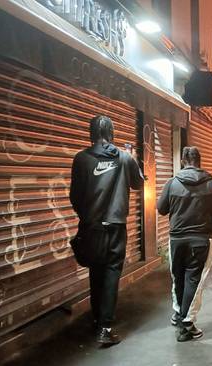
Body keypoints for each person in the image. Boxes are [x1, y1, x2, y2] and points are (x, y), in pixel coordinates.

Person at [69, 115, 144, 346]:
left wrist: (87, 216)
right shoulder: (124, 157)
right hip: (115, 227)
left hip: (91, 227)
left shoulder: (81, 159)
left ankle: (96, 320)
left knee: (96, 271)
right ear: (111, 132)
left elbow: (74, 195)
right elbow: (138, 183)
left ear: (91, 132)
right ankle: (106, 327)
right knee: (112, 273)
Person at [157, 146, 212, 342]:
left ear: (182, 161)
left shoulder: (172, 183)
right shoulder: (211, 185)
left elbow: (161, 208)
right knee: (193, 280)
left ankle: (179, 314)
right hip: (201, 240)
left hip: (176, 239)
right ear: (199, 161)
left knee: (178, 278)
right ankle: (187, 323)